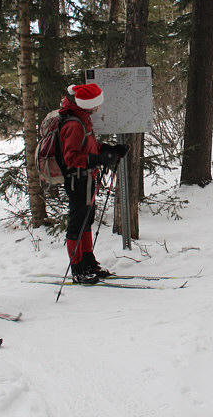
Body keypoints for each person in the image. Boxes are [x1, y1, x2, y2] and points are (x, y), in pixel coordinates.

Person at [58, 83, 128, 284]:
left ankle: (88, 262)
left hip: (86, 178)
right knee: (77, 223)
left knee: (86, 220)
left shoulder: (82, 119)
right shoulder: (74, 125)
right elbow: (71, 157)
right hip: (76, 179)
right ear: (86, 104)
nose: (98, 108)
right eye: (96, 104)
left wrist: (110, 150)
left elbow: (89, 146)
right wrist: (98, 159)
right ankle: (77, 268)